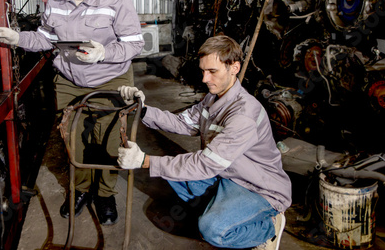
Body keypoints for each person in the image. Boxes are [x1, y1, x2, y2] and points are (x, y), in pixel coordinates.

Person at [0, 0, 144, 226]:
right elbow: (44, 39)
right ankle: (81, 190)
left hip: (110, 78)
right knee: (75, 138)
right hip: (70, 81)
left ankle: (106, 194)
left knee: (110, 138)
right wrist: (17, 38)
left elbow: (135, 44)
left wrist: (105, 53)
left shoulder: (115, 1)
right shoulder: (54, 4)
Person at [117, 35, 291, 249]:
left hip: (258, 187)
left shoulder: (243, 114)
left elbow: (204, 164)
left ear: (234, 68)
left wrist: (145, 161)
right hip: (228, 174)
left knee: (212, 229)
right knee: (175, 176)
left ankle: (268, 227)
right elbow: (182, 122)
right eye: (203, 71)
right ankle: (224, 209)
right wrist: (142, 109)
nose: (204, 79)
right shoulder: (212, 99)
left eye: (212, 72)